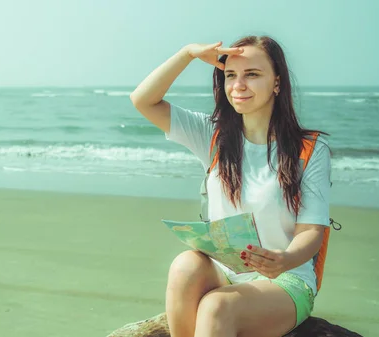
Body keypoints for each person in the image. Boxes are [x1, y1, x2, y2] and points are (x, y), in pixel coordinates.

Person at [130, 36, 331, 337]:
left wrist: (285, 260)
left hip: (285, 280)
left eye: (252, 74)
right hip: (225, 271)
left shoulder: (309, 149)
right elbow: (143, 100)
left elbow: (312, 231)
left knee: (215, 306)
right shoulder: (212, 136)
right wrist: (187, 54)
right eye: (230, 75)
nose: (238, 85)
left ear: (277, 82)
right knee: (185, 265)